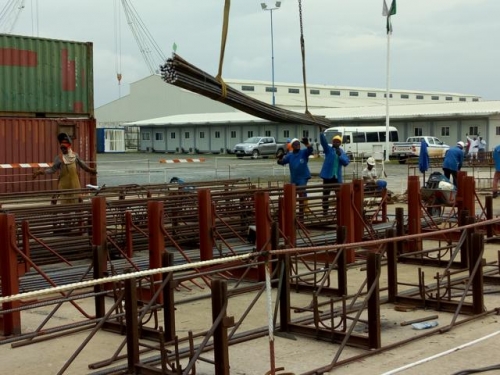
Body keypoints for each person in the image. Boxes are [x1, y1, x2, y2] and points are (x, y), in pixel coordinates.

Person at [32, 133, 97, 204]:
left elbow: (83, 165)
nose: (63, 150)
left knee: (78, 199)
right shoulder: (59, 158)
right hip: (64, 184)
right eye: (61, 148)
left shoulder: (75, 156)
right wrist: (40, 172)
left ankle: (78, 213)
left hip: (75, 183)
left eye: (64, 148)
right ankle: (59, 213)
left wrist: (91, 170)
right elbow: (52, 169)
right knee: (63, 200)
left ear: (69, 147)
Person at [319, 130, 350, 214]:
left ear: (340, 143)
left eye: (338, 142)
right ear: (332, 142)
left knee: (339, 195)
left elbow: (346, 162)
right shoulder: (328, 150)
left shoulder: (341, 152)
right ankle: (325, 211)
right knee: (326, 195)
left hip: (336, 177)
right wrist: (321, 134)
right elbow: (323, 143)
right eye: (335, 141)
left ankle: (339, 210)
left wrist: (340, 155)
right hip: (327, 177)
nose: (336, 143)